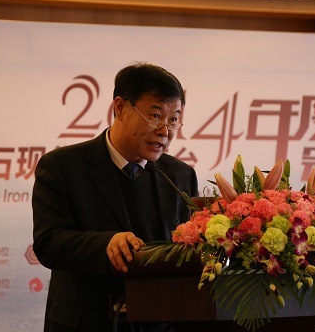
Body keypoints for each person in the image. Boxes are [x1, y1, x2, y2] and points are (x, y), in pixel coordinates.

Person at [32, 62, 199, 332]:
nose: (164, 131)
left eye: (173, 119)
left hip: (159, 323)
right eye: (155, 116)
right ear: (120, 108)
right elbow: (49, 242)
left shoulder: (180, 175)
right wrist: (106, 244)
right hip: (86, 322)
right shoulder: (62, 166)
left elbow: (190, 249)